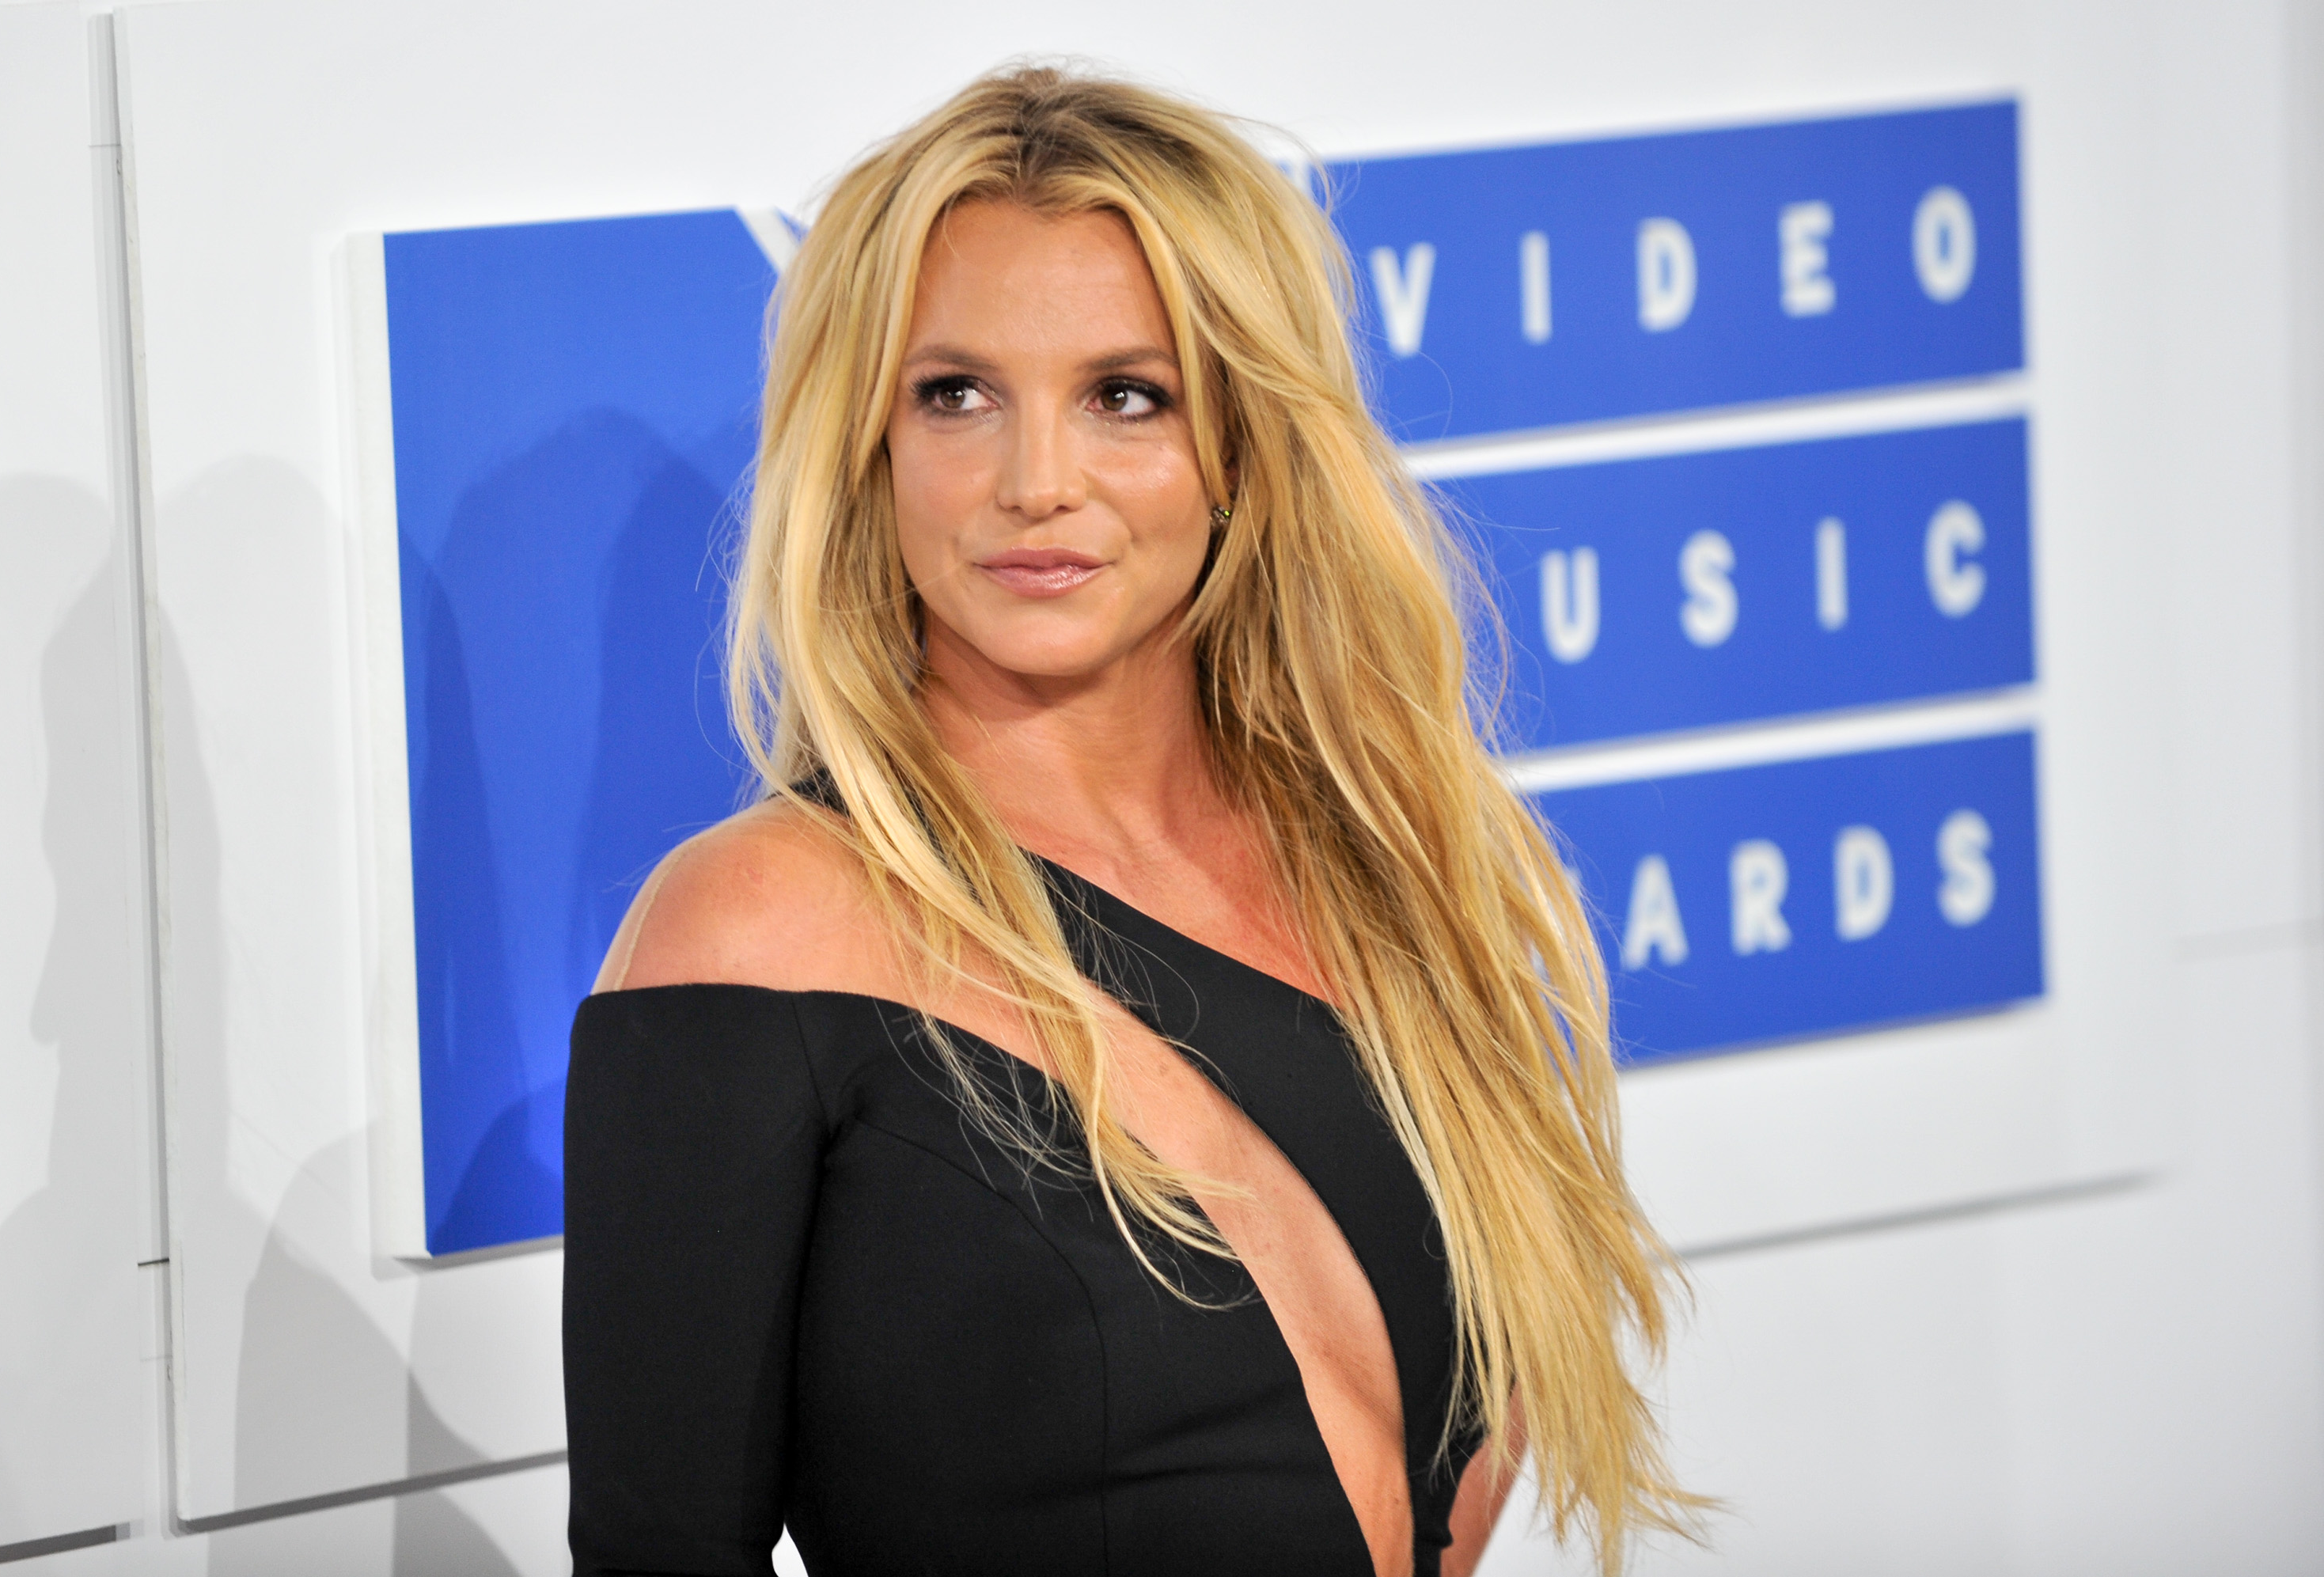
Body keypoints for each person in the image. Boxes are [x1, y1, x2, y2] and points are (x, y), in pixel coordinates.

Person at [563, 65, 1698, 1577]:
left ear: (1240, 443)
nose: (1040, 483)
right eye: (955, 394)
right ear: (869, 446)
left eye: (1127, 396)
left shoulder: (1391, 883)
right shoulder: (756, 931)